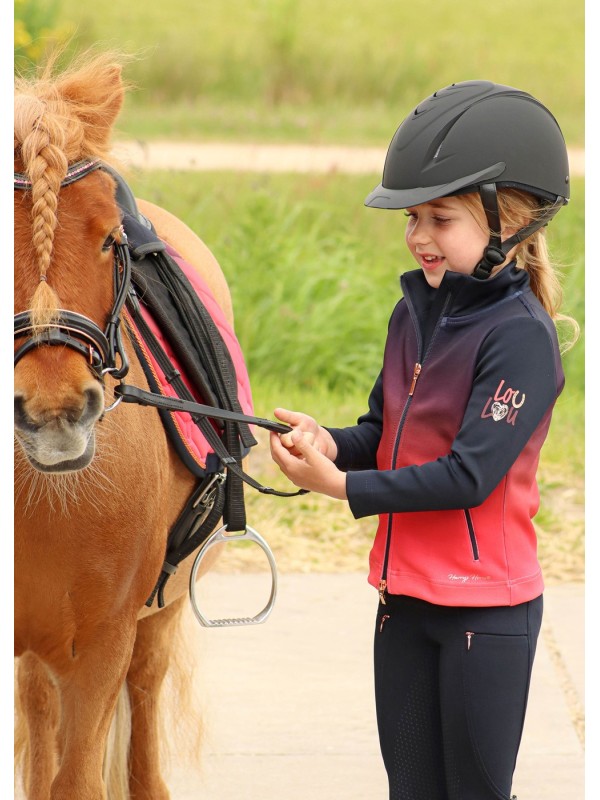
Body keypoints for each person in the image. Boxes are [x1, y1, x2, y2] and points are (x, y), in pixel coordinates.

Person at [269, 80, 579, 800]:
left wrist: (341, 488)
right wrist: (330, 443)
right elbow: (383, 433)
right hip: (403, 602)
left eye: (442, 218)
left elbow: (468, 475)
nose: (418, 236)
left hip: (486, 615)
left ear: (510, 221)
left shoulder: (523, 340)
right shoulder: (412, 314)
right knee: (410, 789)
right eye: (413, 218)